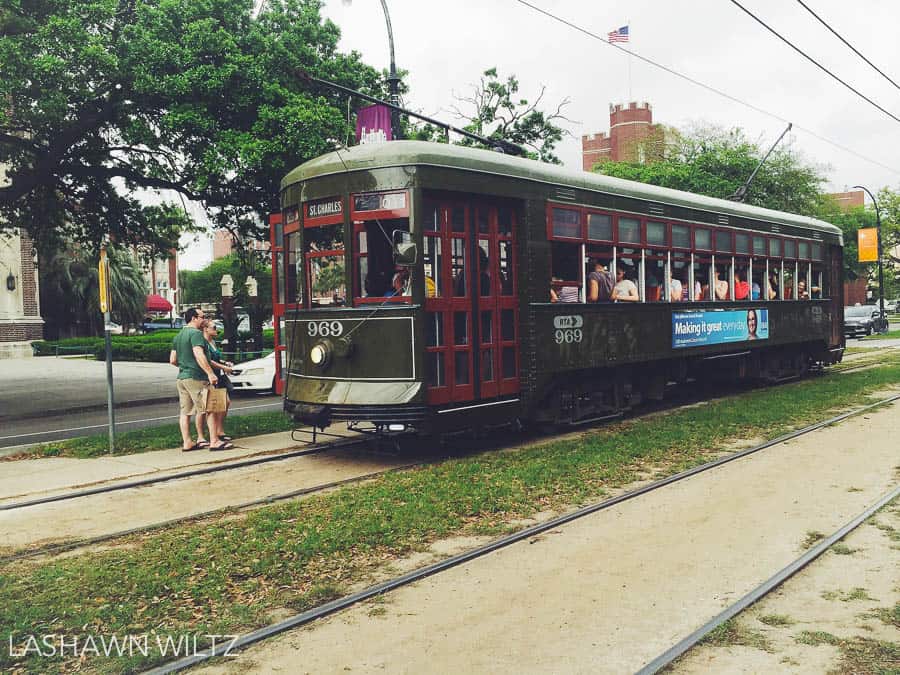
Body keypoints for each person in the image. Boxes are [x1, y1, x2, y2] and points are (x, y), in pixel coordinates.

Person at [169, 308, 224, 451]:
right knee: (210, 408)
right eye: (202, 316)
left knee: (185, 412)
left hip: (182, 378)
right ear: (194, 318)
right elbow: (199, 354)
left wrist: (185, 366)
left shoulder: (179, 335)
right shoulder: (196, 334)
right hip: (197, 377)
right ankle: (214, 441)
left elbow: (172, 360)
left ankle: (187, 442)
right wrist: (210, 373)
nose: (204, 319)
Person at [202, 320, 235, 446]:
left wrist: (224, 363)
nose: (217, 330)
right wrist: (223, 367)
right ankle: (216, 432)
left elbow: (216, 357)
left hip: (219, 375)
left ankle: (220, 430)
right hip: (213, 375)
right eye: (214, 327)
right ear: (205, 329)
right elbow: (208, 360)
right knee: (217, 404)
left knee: (225, 402)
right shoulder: (204, 343)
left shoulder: (213, 342)